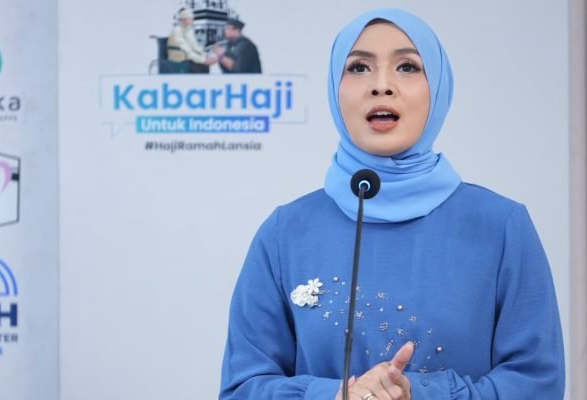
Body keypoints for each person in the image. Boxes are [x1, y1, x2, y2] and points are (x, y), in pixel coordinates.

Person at [219, 8, 565, 400]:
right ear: (335, 89)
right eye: (359, 68)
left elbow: (538, 383)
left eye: (407, 67)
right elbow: (242, 388)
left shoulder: (500, 226)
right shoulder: (287, 233)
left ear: (438, 88)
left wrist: (419, 393)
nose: (381, 86)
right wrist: (336, 395)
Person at [166, 8, 209, 73]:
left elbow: (195, 46)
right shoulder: (177, 31)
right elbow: (187, 51)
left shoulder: (188, 30)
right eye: (191, 18)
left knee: (205, 66)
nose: (193, 20)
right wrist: (203, 60)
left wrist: (205, 55)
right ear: (184, 19)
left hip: (186, 57)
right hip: (179, 58)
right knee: (198, 68)